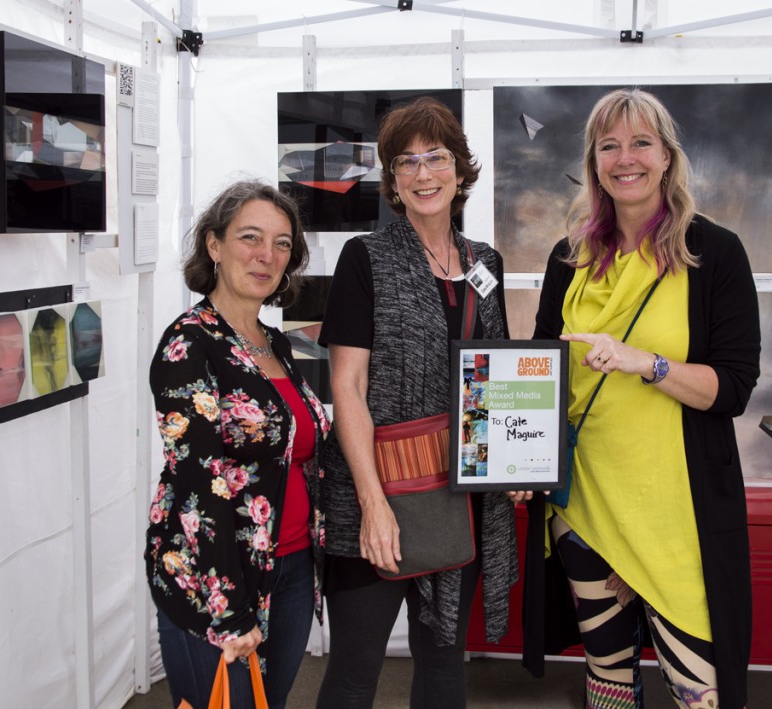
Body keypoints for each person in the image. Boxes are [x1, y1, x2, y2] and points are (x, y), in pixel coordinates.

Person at [518, 88, 761, 709]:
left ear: (667, 157)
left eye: (641, 143)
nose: (626, 158)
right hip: (587, 507)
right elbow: (542, 374)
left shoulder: (714, 253)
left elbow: (732, 388)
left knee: (698, 690)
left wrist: (646, 364)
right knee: (607, 680)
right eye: (609, 146)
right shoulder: (568, 259)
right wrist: (516, 458)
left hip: (678, 515)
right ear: (595, 162)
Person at [315, 97, 518, 709]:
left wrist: (512, 462)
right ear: (393, 182)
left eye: (436, 158)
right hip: (375, 495)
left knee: (442, 671)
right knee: (354, 675)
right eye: (406, 163)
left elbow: (492, 381)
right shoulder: (365, 258)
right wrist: (375, 506)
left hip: (457, 497)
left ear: (460, 169)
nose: (423, 173)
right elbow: (346, 388)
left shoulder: (486, 262)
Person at [145, 180, 331, 709]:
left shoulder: (272, 342)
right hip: (215, 574)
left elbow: (300, 449)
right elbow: (198, 483)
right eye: (250, 237)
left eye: (281, 243)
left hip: (291, 565)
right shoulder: (189, 344)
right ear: (214, 245)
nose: (266, 256)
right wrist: (228, 610)